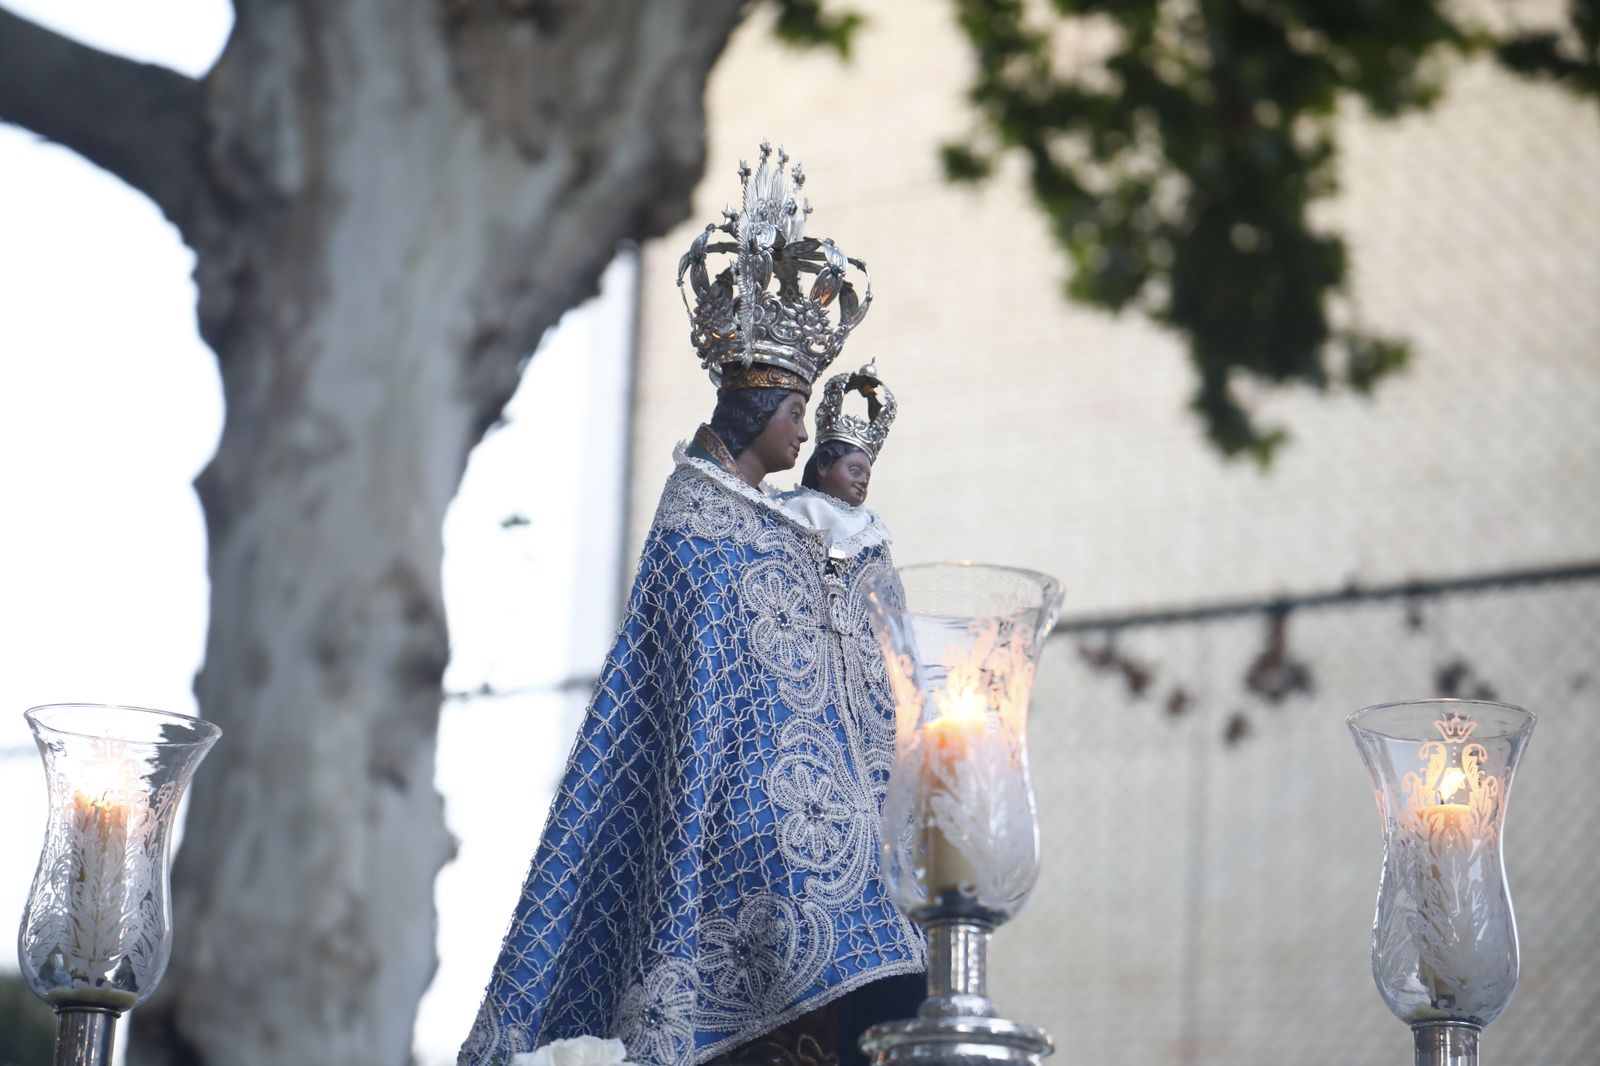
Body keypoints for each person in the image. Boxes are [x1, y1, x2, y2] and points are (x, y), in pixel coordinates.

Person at [460, 144, 924, 1066]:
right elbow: (678, 708)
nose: (804, 432)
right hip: (726, 849)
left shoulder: (803, 534)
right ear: (757, 406)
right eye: (796, 414)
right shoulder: (692, 530)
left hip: (845, 856)